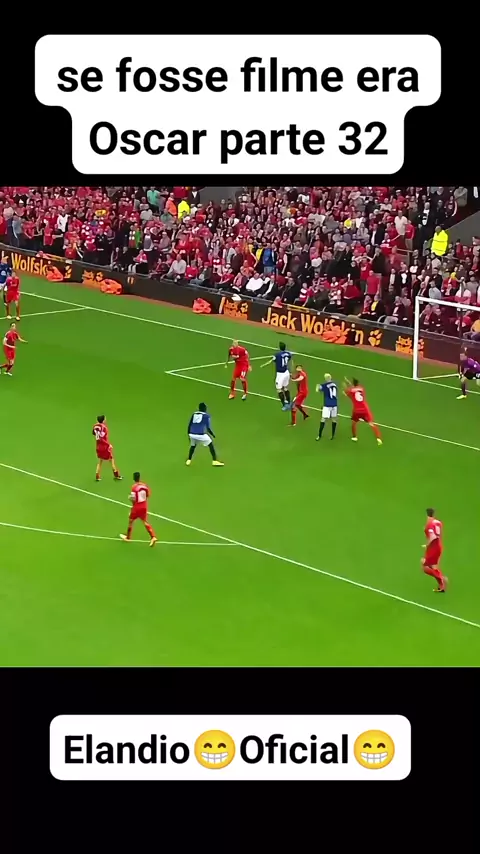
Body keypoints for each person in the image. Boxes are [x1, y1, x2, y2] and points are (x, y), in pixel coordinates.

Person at [120, 472, 157, 546]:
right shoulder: (144, 485)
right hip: (144, 506)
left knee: (131, 521)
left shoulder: (134, 487)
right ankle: (153, 537)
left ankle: (128, 537)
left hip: (137, 507)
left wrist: (129, 498)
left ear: (134, 478)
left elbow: (133, 499)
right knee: (145, 522)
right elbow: (148, 495)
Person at [343, 378, 382, 445]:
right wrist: (350, 385)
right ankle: (378, 438)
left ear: (353, 384)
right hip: (365, 410)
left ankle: (354, 437)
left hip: (356, 410)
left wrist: (345, 387)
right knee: (371, 424)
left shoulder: (350, 391)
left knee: (354, 423)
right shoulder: (362, 388)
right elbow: (355, 389)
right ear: (358, 383)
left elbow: (346, 393)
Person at [261, 341, 292, 410]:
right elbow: (289, 359)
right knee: (285, 388)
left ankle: (284, 405)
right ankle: (289, 402)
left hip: (280, 374)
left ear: (279, 348)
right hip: (286, 372)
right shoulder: (288, 354)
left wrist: (266, 363)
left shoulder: (277, 355)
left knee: (279, 389)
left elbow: (273, 360)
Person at [422, 508, 447, 593]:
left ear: (427, 514)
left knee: (425, 567)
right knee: (433, 567)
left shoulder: (429, 525)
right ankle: (441, 587)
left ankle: (442, 578)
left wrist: (427, 545)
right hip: (438, 546)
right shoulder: (438, 522)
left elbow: (433, 536)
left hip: (433, 548)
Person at [92, 416, 122, 482]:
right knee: (111, 460)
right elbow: (102, 438)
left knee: (100, 461)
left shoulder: (95, 426)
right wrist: (108, 445)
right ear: (103, 420)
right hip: (104, 447)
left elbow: (94, 433)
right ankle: (116, 475)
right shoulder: (104, 427)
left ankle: (97, 476)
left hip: (98, 446)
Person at [316, 373, 338, 440]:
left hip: (327, 405)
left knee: (323, 419)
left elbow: (318, 390)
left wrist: (317, 387)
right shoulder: (334, 384)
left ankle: (319, 435)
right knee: (334, 419)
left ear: (326, 378)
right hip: (334, 404)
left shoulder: (324, 385)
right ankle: (333, 435)